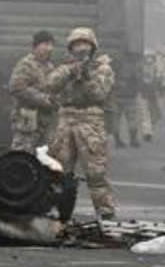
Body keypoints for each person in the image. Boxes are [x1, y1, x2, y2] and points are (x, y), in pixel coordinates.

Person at [47, 27, 117, 220]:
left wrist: (86, 77)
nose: (81, 48)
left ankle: (105, 213)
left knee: (96, 172)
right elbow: (50, 85)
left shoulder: (103, 69)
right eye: (77, 44)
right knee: (60, 171)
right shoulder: (65, 66)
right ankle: (61, 212)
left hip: (90, 120)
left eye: (84, 44)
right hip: (66, 120)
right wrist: (70, 71)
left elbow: (99, 94)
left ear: (92, 46)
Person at [8, 30, 57, 152]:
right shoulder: (26, 64)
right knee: (21, 157)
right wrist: (44, 99)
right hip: (27, 123)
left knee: (44, 159)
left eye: (51, 45)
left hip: (46, 123)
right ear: (35, 46)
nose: (49, 48)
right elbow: (16, 87)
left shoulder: (50, 67)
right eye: (45, 44)